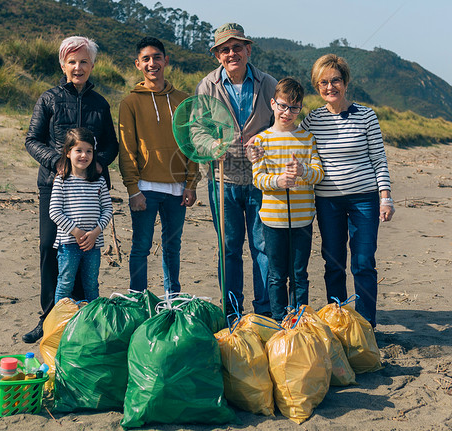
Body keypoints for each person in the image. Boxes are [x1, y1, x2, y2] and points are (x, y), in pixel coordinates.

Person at [23, 35, 118, 344]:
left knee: (86, 250)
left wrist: (99, 164)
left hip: (91, 190)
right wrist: (57, 162)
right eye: (72, 61)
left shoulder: (100, 103)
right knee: (51, 247)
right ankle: (49, 316)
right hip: (55, 185)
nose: (78, 67)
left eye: (84, 62)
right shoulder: (48, 98)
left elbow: (110, 145)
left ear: (92, 66)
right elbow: (32, 139)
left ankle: (80, 316)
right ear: (63, 64)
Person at [301, 54, 394, 327]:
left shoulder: (366, 115)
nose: (330, 87)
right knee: (334, 264)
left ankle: (366, 325)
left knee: (364, 262)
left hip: (364, 200)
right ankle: (338, 322)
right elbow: (290, 139)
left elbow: (379, 158)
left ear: (345, 82)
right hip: (328, 203)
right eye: (323, 83)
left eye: (335, 81)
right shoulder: (313, 120)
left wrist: (385, 197)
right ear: (317, 87)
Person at [195, 22, 277, 317]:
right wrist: (211, 145)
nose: (232, 53)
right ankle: (232, 312)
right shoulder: (207, 86)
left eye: (237, 47)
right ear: (217, 55)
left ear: (248, 50)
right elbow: (196, 130)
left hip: (260, 179)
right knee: (229, 248)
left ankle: (265, 312)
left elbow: (283, 125)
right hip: (222, 179)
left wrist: (264, 140)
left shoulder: (268, 83)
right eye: (225, 49)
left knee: (263, 247)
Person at [118, 37, 200, 296]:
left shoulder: (183, 100)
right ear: (138, 65)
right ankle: (137, 300)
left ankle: (172, 299)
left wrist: (191, 184)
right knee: (141, 247)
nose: (152, 63)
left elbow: (192, 145)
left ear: (166, 60)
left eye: (157, 57)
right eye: (146, 59)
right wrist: (133, 189)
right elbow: (127, 149)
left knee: (172, 247)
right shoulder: (130, 102)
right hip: (145, 188)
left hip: (177, 190)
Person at [251, 78, 323, 320]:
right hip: (273, 220)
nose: (287, 112)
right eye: (282, 105)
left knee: (299, 274)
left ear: (300, 108)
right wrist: (278, 181)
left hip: (303, 219)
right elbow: (258, 178)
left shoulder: (307, 138)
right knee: (276, 275)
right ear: (273, 103)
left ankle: (300, 319)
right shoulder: (262, 140)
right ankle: (279, 319)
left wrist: (303, 171)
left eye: (293, 108)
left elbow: (319, 173)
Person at [49, 128, 113, 304]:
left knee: (91, 285)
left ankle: (92, 323)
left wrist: (95, 232)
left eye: (89, 151)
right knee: (65, 284)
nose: (84, 155)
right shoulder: (62, 180)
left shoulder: (99, 180)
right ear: (68, 153)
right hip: (69, 243)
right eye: (78, 150)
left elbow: (108, 209)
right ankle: (61, 325)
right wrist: (76, 232)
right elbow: (54, 211)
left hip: (93, 244)